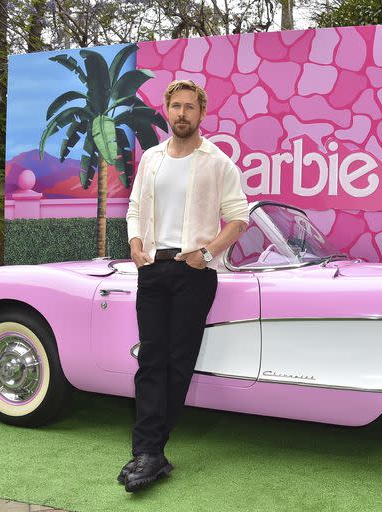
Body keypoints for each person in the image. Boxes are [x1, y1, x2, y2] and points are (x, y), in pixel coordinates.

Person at [121, 79, 249, 492]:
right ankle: (148, 451)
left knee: (177, 365)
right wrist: (135, 245)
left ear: (201, 112)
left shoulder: (218, 162)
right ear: (166, 110)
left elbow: (239, 218)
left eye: (189, 107)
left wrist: (206, 254)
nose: (181, 114)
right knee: (150, 361)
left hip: (194, 273)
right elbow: (135, 207)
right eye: (175, 106)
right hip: (153, 269)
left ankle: (151, 452)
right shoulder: (152, 160)